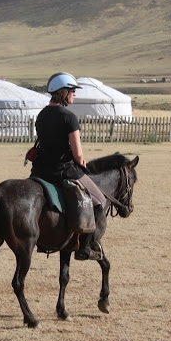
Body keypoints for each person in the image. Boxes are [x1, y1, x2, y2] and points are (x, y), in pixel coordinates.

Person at [30, 72, 107, 261]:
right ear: (63, 92)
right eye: (72, 91)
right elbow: (78, 154)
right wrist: (81, 162)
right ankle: (85, 247)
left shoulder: (41, 115)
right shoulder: (69, 117)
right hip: (63, 170)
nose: (74, 94)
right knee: (99, 201)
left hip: (40, 171)